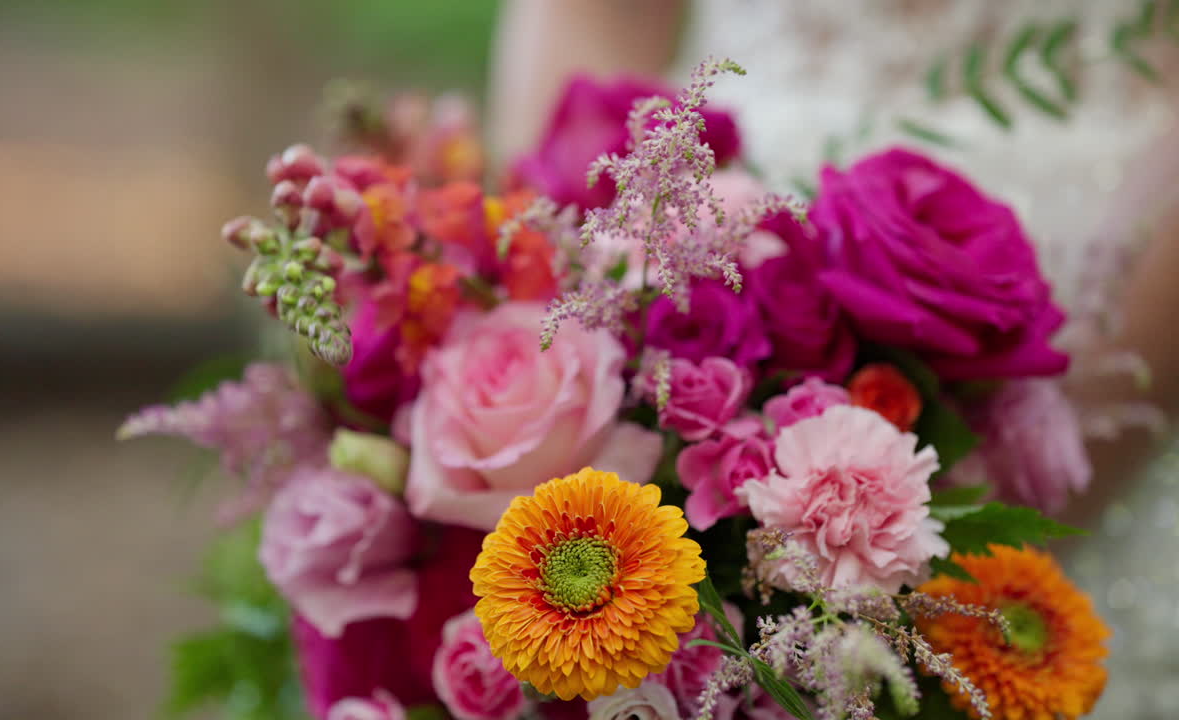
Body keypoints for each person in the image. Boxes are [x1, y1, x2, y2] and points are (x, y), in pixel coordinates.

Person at [490, 1, 1179, 716]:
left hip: (1113, 322)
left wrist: (932, 548)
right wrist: (573, 310)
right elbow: (594, 30)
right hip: (695, 258)